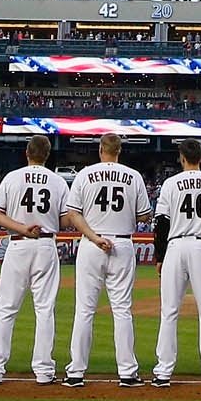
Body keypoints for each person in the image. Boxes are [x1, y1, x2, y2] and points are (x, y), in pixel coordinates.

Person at [61, 134, 152, 387]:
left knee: (85, 310)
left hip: (91, 244)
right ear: (119, 151)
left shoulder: (84, 174)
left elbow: (72, 215)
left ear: (101, 149)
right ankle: (127, 373)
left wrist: (94, 236)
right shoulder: (133, 176)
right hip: (122, 243)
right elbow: (145, 216)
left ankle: (76, 372)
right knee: (122, 310)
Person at [0, 135, 68, 386]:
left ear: (27, 153)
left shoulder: (12, 177)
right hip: (45, 244)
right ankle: (43, 371)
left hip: (18, 244)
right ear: (48, 155)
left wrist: (21, 226)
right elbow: (65, 219)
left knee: (6, 309)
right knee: (44, 309)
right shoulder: (58, 181)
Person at [151, 138, 201, 386]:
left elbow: (161, 223)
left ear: (182, 157)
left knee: (169, 311)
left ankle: (163, 372)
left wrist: (160, 256)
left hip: (175, 245)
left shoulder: (171, 183)